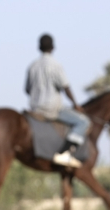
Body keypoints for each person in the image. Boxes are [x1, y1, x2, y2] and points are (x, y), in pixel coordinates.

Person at [25, 34, 90, 169]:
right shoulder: (55, 65)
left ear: (39, 47)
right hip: (52, 109)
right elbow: (65, 87)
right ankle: (65, 153)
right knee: (83, 122)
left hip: (35, 109)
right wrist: (75, 104)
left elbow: (27, 90)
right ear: (53, 47)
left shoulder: (32, 66)